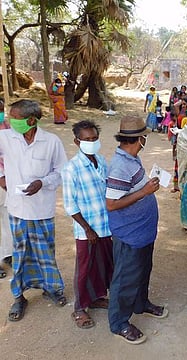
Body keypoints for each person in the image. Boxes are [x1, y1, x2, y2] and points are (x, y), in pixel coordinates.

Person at [0, 99, 68, 321]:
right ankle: (19, 296)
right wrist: (1, 177)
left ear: (31, 120)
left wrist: (43, 182)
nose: (10, 121)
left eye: (15, 118)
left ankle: (51, 288)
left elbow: (61, 171)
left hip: (42, 209)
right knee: (20, 254)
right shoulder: (6, 137)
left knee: (45, 253)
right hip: (17, 209)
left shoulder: (51, 141)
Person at [106, 116, 168, 345]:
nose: (145, 140)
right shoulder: (120, 165)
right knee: (125, 279)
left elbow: (132, 189)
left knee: (143, 271)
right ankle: (119, 323)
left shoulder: (132, 158)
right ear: (139, 139)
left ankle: (141, 303)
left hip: (143, 232)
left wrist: (147, 185)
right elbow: (111, 204)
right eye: (144, 137)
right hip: (129, 234)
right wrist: (144, 192)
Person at [61, 120, 114, 329]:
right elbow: (69, 204)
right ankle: (79, 308)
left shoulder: (101, 161)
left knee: (103, 264)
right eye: (87, 139)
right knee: (84, 268)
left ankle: (97, 296)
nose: (91, 142)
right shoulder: (71, 169)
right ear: (77, 141)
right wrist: (87, 228)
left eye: (94, 138)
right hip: (88, 230)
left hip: (105, 225)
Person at [0, 98, 12, 279]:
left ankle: (7, 253)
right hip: (2, 179)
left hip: (8, 180)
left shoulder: (6, 126)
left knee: (8, 218)